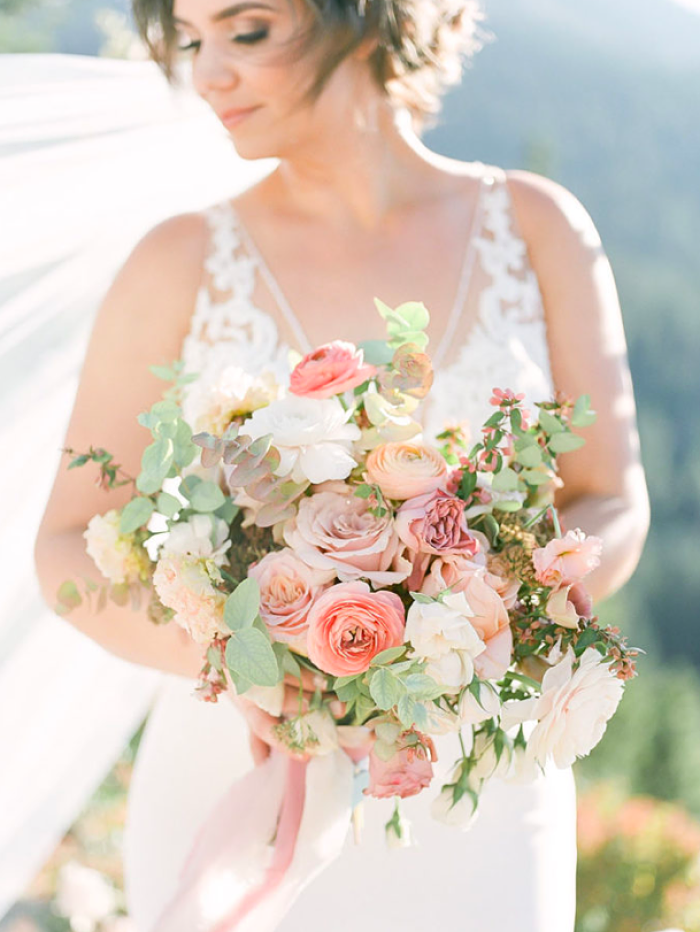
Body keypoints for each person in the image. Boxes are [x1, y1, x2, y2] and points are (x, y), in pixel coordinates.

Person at [34, 0, 650, 929]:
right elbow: (65, 544)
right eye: (192, 41)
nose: (208, 75)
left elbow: (611, 498)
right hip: (236, 774)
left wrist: (496, 602)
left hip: (476, 783)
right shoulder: (178, 260)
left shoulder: (538, 226)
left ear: (364, 17)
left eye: (246, 31)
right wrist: (236, 655)